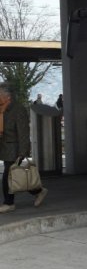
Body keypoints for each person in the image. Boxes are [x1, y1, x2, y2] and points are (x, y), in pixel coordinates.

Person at [0, 82, 47, 213]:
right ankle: (38, 191)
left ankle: (9, 203)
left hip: (14, 148)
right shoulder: (2, 109)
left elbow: (23, 132)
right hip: (4, 147)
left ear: (7, 96)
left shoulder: (18, 110)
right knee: (17, 176)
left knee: (8, 176)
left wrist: (23, 152)